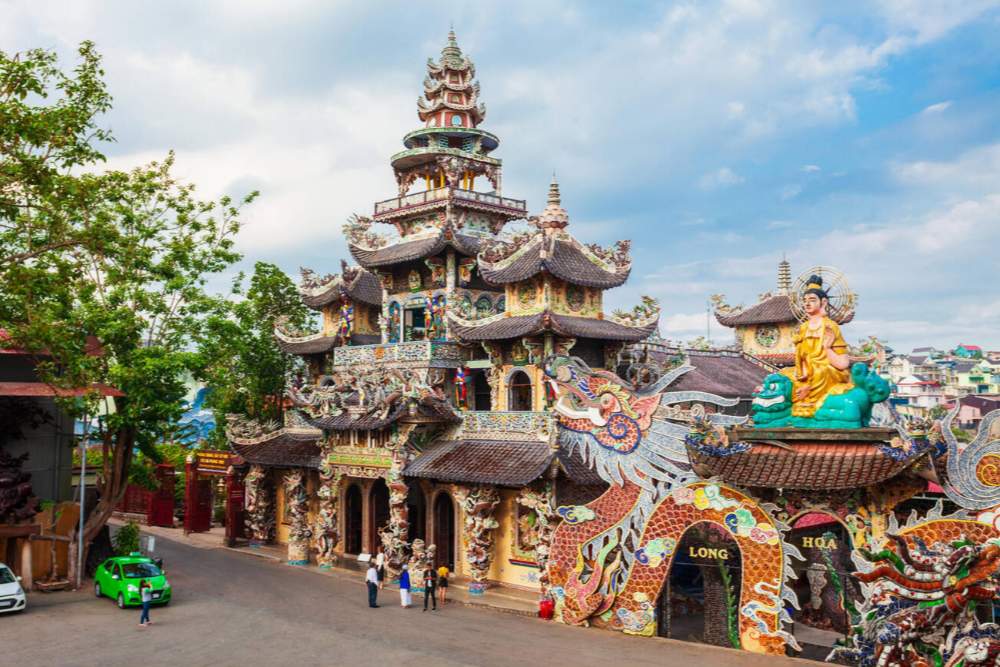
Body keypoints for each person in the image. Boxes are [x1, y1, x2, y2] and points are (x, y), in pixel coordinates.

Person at [780, 274, 852, 417]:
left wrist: (827, 348)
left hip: (826, 372)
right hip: (806, 372)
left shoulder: (830, 326)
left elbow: (843, 364)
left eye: (812, 300)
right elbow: (801, 359)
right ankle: (802, 399)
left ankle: (812, 400)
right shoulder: (803, 328)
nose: (807, 304)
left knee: (821, 373)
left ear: (823, 302)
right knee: (783, 377)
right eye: (805, 301)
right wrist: (802, 373)